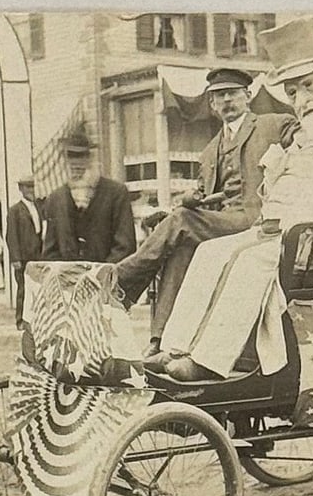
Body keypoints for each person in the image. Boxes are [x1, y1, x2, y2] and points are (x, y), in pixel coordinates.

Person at [155, 15, 313, 382]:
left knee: (253, 261)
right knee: (211, 251)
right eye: (294, 92)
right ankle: (175, 346)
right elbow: (275, 195)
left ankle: (210, 360)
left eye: (309, 85)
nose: (302, 100)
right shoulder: (301, 141)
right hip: (281, 235)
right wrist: (274, 176)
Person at [116, 68, 299, 356]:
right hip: (225, 224)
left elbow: (305, 135)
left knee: (181, 222)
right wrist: (191, 198)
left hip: (258, 220)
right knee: (180, 249)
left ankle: (121, 281)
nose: (226, 100)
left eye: (232, 93)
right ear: (212, 105)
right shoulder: (210, 150)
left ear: (248, 96)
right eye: (218, 96)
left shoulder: (273, 125)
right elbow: (205, 194)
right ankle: (161, 343)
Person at [42, 130, 136, 264]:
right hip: (69, 282)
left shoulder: (116, 193)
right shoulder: (55, 199)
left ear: (92, 158)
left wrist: (99, 276)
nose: (77, 164)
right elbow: (50, 253)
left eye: (82, 156)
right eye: (71, 156)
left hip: (106, 279)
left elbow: (125, 247)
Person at [5, 175, 44, 329]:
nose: (31, 190)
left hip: (38, 256)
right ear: (21, 189)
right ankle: (20, 320)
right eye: (27, 187)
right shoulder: (15, 210)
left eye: (33, 187)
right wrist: (15, 258)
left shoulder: (39, 208)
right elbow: (11, 235)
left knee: (38, 288)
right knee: (23, 288)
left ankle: (36, 318)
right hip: (23, 257)